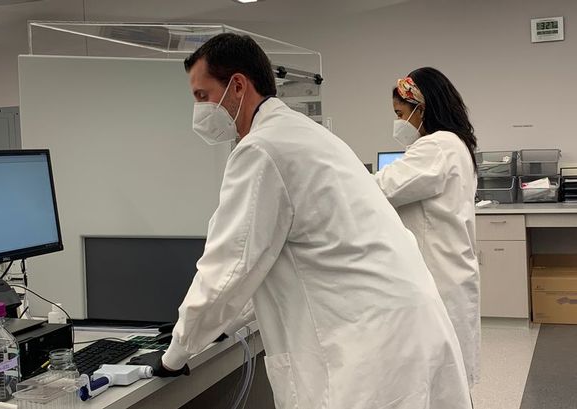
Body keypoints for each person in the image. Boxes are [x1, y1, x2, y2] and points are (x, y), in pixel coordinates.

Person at [130, 35, 471, 409]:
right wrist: (213, 327)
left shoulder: (261, 150)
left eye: (201, 96)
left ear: (238, 86)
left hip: (368, 347)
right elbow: (265, 264)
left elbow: (228, 269)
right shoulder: (308, 135)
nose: (198, 110)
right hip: (401, 327)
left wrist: (173, 356)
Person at [374, 67, 480, 389]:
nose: (398, 122)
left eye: (400, 113)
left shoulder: (436, 147)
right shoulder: (455, 144)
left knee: (438, 380)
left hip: (438, 278)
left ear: (421, 108)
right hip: (450, 274)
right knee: (450, 381)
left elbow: (381, 188)